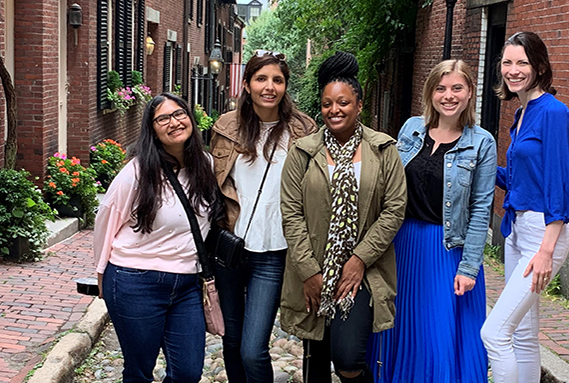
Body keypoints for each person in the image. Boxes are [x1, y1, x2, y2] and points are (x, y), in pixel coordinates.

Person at [279, 51, 406, 383]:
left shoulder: (383, 150)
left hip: (362, 271)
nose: (334, 110)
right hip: (314, 268)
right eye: (326, 104)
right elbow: (291, 213)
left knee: (348, 359)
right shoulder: (303, 151)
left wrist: (359, 259)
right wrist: (308, 270)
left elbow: (394, 209)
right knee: (316, 354)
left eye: (343, 103)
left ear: (359, 105)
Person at [368, 59, 496, 382]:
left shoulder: (481, 143)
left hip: (448, 251)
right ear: (431, 93)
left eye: (457, 88)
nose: (448, 95)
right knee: (400, 329)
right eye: (441, 88)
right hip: (403, 246)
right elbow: (388, 186)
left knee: (439, 335)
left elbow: (482, 209)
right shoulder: (411, 129)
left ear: (469, 93)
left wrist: (469, 268)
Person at [93, 92, 222, 383]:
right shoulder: (136, 173)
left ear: (190, 117)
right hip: (136, 281)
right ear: (152, 129)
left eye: (179, 114)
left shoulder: (206, 165)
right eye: (163, 119)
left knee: (188, 372)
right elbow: (105, 222)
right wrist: (101, 273)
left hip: (188, 284)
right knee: (139, 371)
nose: (174, 122)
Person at [209, 50, 317, 383]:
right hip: (230, 247)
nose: (269, 87)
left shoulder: (304, 130)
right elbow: (211, 184)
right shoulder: (226, 127)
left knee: (253, 350)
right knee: (231, 340)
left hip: (273, 252)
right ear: (247, 84)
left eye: (277, 80)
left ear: (285, 86)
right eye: (261, 79)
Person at [480, 31, 569, 383]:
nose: (513, 70)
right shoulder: (521, 112)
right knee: (521, 332)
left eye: (522, 62)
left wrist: (547, 249)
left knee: (494, 333)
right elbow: (522, 178)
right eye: (507, 62)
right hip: (517, 229)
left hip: (543, 231)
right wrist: (480, 163)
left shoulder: (553, 111)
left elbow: (557, 182)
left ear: (539, 66)